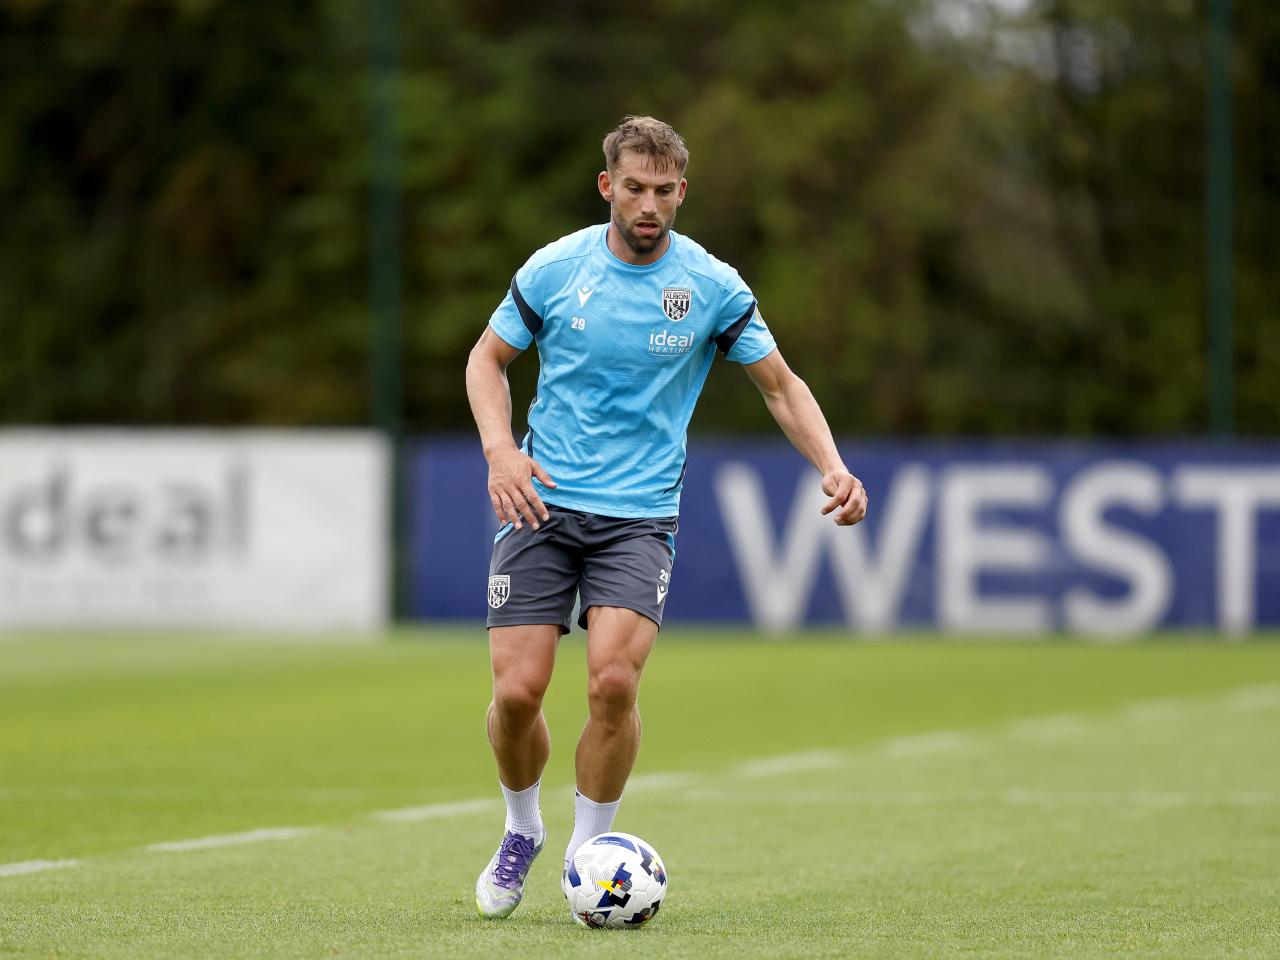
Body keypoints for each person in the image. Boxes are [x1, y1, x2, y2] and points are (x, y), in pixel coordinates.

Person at [466, 115, 868, 922]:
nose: (649, 205)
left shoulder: (711, 286)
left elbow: (782, 387)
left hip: (641, 515)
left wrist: (833, 465)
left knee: (613, 683)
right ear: (608, 186)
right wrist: (501, 452)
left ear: (682, 193)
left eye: (664, 192)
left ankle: (590, 851)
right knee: (518, 695)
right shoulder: (556, 269)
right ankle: (522, 829)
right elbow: (487, 360)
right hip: (539, 497)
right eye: (635, 189)